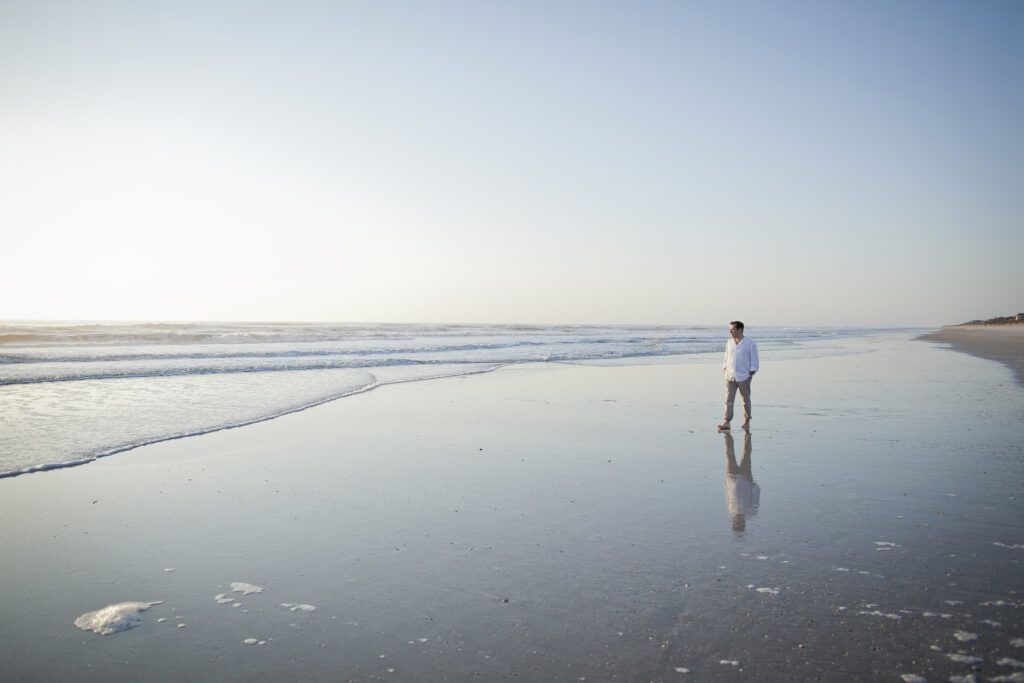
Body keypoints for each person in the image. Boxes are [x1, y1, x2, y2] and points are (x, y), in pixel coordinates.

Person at [718, 320, 759, 431]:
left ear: (740, 330)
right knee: (728, 399)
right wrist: (724, 368)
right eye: (730, 330)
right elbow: (726, 356)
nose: (730, 332)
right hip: (730, 375)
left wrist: (751, 372)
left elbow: (754, 359)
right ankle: (726, 422)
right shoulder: (729, 342)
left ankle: (747, 421)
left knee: (745, 399)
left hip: (744, 375)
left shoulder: (750, 343)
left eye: (732, 329)